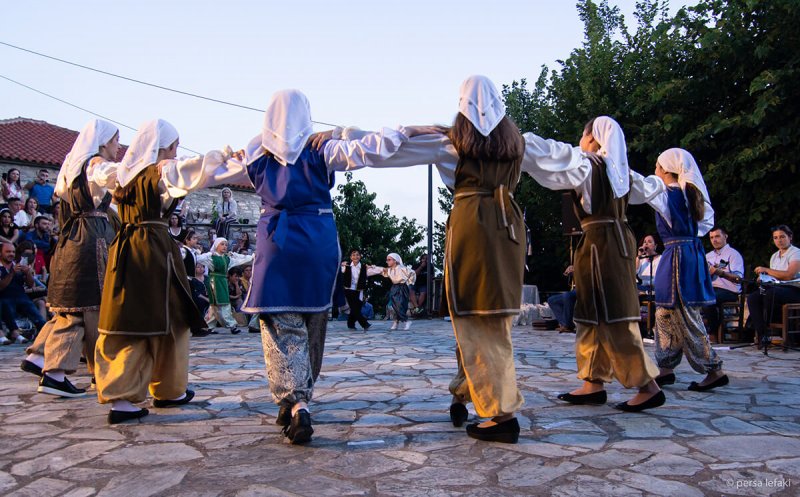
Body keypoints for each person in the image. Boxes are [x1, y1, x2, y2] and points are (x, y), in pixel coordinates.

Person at [210, 89, 411, 444]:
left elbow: (208, 170)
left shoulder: (257, 151)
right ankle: (298, 397)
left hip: (277, 242)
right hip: (317, 241)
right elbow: (368, 150)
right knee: (313, 321)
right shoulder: (322, 149)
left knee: (280, 325)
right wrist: (349, 133)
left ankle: (296, 403)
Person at [521, 116, 663, 412]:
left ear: (592, 139)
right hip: (610, 241)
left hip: (602, 244)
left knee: (613, 313)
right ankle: (593, 381)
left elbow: (550, 157)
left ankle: (647, 385)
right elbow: (653, 189)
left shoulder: (588, 164)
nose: (579, 144)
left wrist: (514, 143)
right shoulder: (623, 173)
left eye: (583, 138)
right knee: (589, 313)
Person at [94, 118, 232, 424]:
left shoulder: (119, 175)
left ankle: (168, 389)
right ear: (161, 148)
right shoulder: (156, 173)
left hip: (129, 250)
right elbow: (189, 172)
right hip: (152, 252)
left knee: (165, 318)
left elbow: (94, 168)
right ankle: (127, 398)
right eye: (173, 146)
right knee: (145, 321)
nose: (176, 151)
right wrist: (218, 158)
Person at [20, 119, 121, 397]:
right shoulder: (95, 164)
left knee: (71, 308)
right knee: (93, 308)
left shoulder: (72, 166)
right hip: (92, 241)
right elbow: (109, 175)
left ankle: (41, 357)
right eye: (115, 140)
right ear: (102, 141)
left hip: (73, 238)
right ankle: (83, 372)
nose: (117, 146)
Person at [633, 148, 728, 391]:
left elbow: (638, 185)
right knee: (665, 313)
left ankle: (714, 368)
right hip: (685, 254)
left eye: (657, 166)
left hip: (678, 258)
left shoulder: (668, 194)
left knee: (686, 315)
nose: (655, 170)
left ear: (664, 169)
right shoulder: (691, 195)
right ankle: (665, 367)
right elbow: (705, 225)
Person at [747, 224, 800, 346]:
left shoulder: (796, 253)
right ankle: (762, 334)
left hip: (794, 289)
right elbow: (775, 276)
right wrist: (764, 277)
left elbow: (788, 275)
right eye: (775, 238)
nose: (779, 240)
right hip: (777, 288)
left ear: (790, 237)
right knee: (754, 297)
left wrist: (766, 270)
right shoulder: (774, 256)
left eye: (782, 237)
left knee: (770, 294)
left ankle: (774, 327)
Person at [197, 237, 253, 332]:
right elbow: (199, 258)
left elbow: (240, 259)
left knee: (217, 304)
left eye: (226, 244)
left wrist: (251, 257)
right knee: (221, 303)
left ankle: (209, 325)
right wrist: (210, 252)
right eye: (222, 244)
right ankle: (232, 325)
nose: (224, 246)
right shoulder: (212, 258)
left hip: (222, 281)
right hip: (214, 281)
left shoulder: (227, 258)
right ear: (216, 245)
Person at [702, 227, 745, 340]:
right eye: (711, 237)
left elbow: (738, 278)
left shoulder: (733, 254)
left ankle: (713, 333)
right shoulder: (708, 256)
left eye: (717, 236)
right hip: (711, 288)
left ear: (725, 236)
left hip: (729, 290)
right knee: (690, 297)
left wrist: (719, 272)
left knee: (708, 299)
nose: (714, 240)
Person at [0, 242, 45, 344]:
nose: (11, 254)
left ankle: (44, 335)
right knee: (6, 306)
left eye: (13, 252)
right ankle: (13, 333)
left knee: (37, 316)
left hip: (21, 297)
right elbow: (1, 286)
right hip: (5, 297)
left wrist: (28, 273)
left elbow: (30, 285)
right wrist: (12, 273)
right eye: (7, 252)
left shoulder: (18, 265)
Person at [367, 253, 416, 330]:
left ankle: (405, 321)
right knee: (394, 305)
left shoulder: (402, 268)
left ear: (395, 260)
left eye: (389, 260)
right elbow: (380, 270)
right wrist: (372, 267)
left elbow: (412, 273)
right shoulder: (389, 270)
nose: (387, 261)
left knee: (400, 304)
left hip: (402, 287)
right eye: (387, 260)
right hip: (394, 287)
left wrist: (410, 283)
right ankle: (396, 322)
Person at [341, 249, 372, 330]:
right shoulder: (346, 266)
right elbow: (336, 268)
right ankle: (365, 324)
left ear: (360, 256)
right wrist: (340, 263)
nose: (355, 256)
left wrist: (378, 268)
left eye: (357, 255)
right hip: (348, 289)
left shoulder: (364, 267)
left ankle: (350, 324)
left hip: (359, 290)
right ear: (351, 257)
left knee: (356, 308)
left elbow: (375, 270)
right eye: (353, 255)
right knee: (354, 308)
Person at [547, 265, 577, 333]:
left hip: (586, 290)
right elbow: (566, 280)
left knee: (567, 295)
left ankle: (566, 325)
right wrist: (570, 272)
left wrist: (577, 270)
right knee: (552, 300)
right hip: (576, 290)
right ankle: (566, 324)